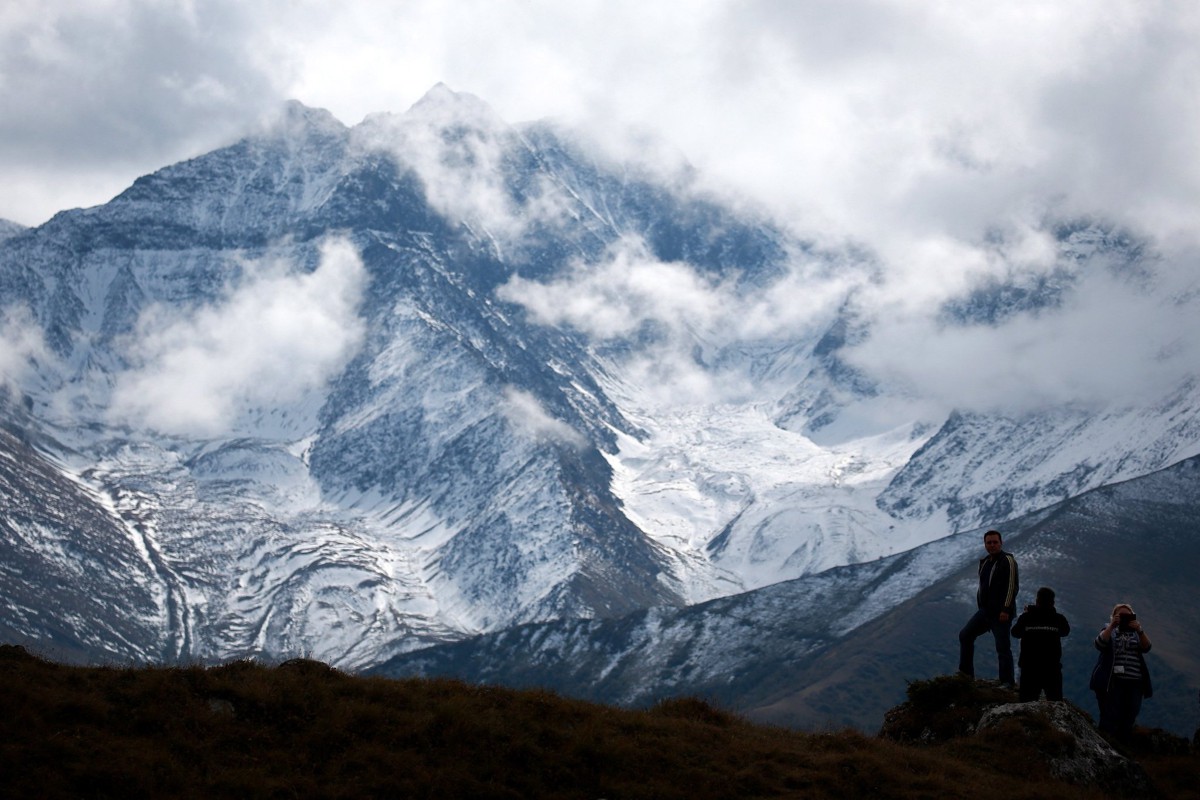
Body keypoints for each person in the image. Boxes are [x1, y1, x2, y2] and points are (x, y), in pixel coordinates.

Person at [958, 529, 1019, 686]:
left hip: (1001, 613)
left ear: (1001, 543)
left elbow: (1012, 586)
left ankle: (1007, 682)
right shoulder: (985, 562)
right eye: (989, 542)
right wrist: (981, 607)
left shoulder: (1008, 560)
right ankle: (965, 677)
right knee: (965, 635)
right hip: (985, 611)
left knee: (1002, 647)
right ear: (985, 544)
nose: (992, 545)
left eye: (995, 542)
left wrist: (1006, 609)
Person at [1089, 603, 1152, 741]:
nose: (1124, 618)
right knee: (1111, 714)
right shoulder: (1108, 630)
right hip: (1114, 681)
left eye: (1128, 616)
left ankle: (1122, 742)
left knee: (1131, 712)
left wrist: (1140, 630)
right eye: (1121, 615)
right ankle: (1106, 742)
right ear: (1114, 616)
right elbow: (1099, 644)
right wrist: (1112, 625)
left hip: (1135, 681)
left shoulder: (1136, 633)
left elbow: (1147, 647)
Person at [1010, 586, 1070, 701]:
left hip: (1029, 668)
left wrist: (1030, 611)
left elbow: (1015, 633)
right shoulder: (1059, 619)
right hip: (1052, 668)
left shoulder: (1026, 617)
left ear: (1037, 601)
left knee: (1026, 703)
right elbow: (1065, 631)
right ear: (1053, 603)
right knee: (1055, 702)